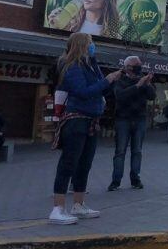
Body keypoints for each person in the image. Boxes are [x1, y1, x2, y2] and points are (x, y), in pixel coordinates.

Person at [49, 33, 122, 225]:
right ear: (82, 45)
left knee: (85, 164)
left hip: (91, 119)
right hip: (76, 119)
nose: (93, 46)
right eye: (90, 43)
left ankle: (78, 204)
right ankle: (57, 208)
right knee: (69, 163)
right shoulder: (72, 66)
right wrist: (106, 80)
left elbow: (100, 89)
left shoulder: (91, 64)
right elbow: (83, 92)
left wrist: (110, 81)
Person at [108, 56, 155, 192]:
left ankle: (136, 179)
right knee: (120, 151)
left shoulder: (142, 78)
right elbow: (120, 96)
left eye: (139, 65)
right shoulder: (120, 79)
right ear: (128, 66)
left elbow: (152, 96)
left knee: (137, 151)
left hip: (139, 118)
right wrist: (137, 86)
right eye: (136, 65)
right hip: (123, 119)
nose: (138, 67)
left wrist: (147, 84)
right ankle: (116, 181)